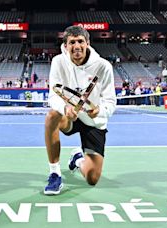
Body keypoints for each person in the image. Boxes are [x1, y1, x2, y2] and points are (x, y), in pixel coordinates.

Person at [44, 25, 116, 195]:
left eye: (80, 41)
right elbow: (53, 96)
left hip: (93, 121)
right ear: (66, 46)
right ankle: (55, 173)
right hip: (70, 117)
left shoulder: (103, 66)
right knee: (51, 117)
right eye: (72, 42)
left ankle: (77, 159)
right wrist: (65, 108)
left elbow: (111, 101)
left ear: (88, 43)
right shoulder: (58, 62)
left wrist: (100, 110)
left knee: (92, 178)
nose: (76, 46)